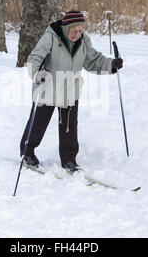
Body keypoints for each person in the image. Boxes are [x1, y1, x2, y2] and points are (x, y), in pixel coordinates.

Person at [20, 10, 123, 172]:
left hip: (69, 90)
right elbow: (35, 58)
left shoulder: (83, 41)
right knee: (38, 124)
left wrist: (111, 65)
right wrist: (37, 73)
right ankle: (28, 152)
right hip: (47, 87)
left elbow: (93, 60)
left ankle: (69, 159)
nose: (77, 34)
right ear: (65, 27)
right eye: (74, 31)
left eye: (81, 30)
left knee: (69, 126)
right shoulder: (51, 38)